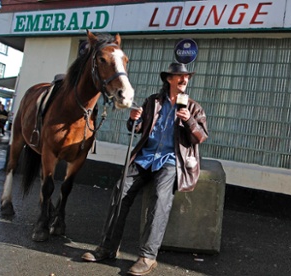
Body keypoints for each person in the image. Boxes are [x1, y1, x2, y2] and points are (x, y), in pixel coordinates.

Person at [81, 63, 208, 276]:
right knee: (120, 190)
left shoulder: (193, 107)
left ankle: (148, 256)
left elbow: (200, 137)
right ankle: (108, 247)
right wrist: (133, 120)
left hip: (171, 160)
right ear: (169, 79)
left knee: (160, 198)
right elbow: (137, 128)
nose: (184, 80)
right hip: (145, 157)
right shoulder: (153, 101)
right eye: (180, 77)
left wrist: (189, 122)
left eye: (186, 77)